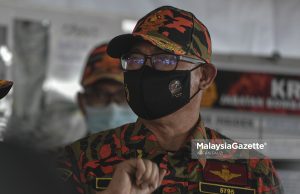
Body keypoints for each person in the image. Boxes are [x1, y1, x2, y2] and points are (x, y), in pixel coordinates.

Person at [59, 6, 283, 194]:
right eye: (135, 59)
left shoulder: (252, 170)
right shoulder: (80, 160)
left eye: (165, 60)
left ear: (204, 77)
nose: (145, 70)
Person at [77, 43, 137, 134]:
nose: (113, 110)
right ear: (81, 103)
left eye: (124, 95)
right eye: (99, 95)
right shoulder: (69, 148)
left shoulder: (160, 147)